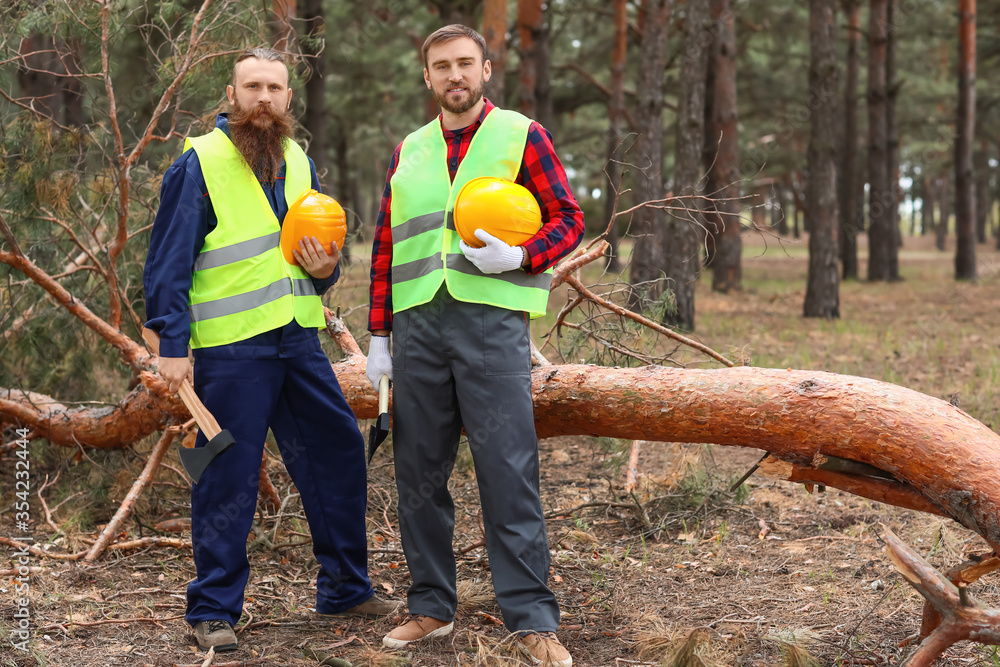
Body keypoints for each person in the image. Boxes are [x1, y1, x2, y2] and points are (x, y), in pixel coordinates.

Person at [143, 47, 396, 654]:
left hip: (297, 338)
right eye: (251, 86)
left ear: (288, 99)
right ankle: (211, 610)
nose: (263, 98)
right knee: (226, 475)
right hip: (231, 349)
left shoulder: (299, 162)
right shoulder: (200, 162)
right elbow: (167, 261)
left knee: (335, 452)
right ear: (231, 96)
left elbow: (309, 256)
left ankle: (344, 588)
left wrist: (328, 269)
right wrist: (170, 343)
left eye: (274, 88)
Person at [365, 25, 584, 667]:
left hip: (490, 323)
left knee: (507, 469)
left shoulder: (521, 135)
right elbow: (386, 243)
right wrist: (379, 334)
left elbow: (567, 219)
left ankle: (533, 618)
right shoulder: (409, 149)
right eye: (441, 67)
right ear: (427, 78)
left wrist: (521, 255)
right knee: (418, 471)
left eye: (465, 63)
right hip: (417, 330)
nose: (454, 75)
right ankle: (431, 606)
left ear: (486, 70)